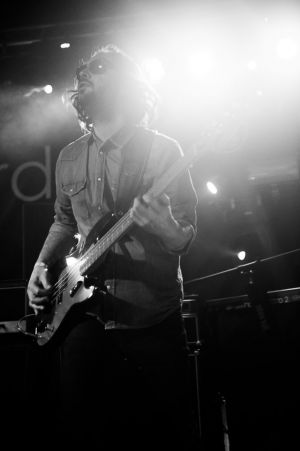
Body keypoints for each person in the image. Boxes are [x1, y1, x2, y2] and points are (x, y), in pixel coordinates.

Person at [27, 44, 198, 449]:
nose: (85, 73)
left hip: (151, 316)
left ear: (125, 83)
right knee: (83, 431)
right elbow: (64, 221)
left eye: (99, 68)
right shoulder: (68, 157)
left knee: (168, 433)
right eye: (83, 69)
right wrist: (40, 266)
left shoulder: (163, 151)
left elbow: (185, 237)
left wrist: (166, 227)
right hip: (85, 316)